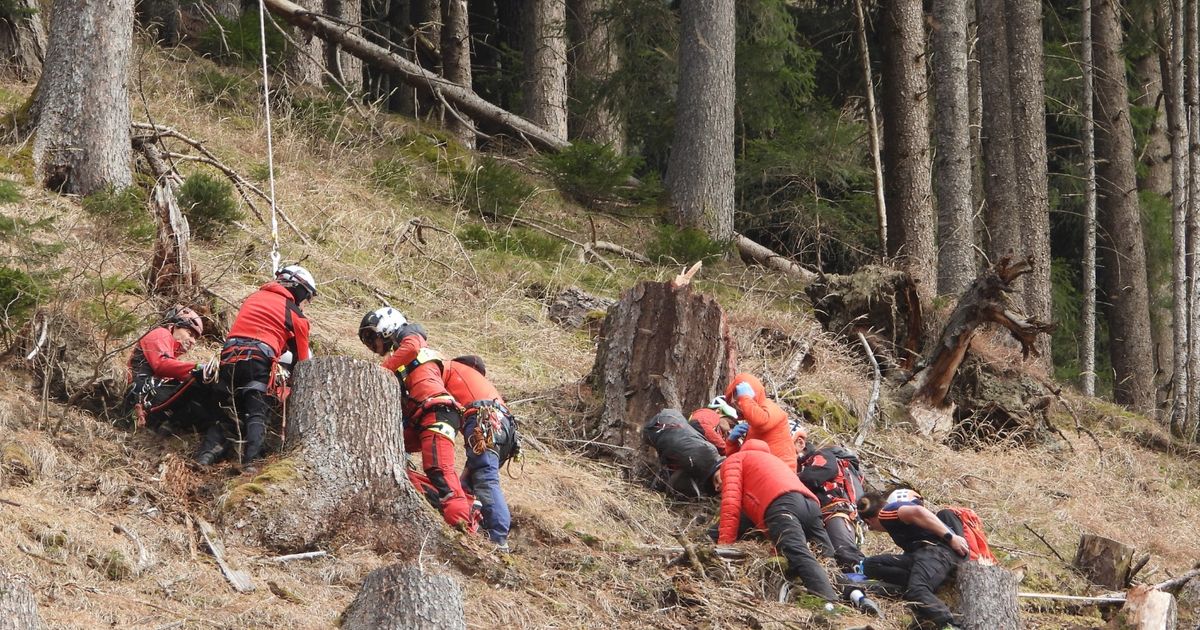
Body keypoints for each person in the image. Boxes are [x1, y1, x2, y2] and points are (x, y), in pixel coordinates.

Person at [358, 306, 473, 530]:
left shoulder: (410, 336)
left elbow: (412, 347)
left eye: (372, 338)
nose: (373, 346)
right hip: (420, 416)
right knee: (385, 456)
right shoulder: (401, 357)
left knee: (439, 469)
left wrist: (380, 371)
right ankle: (433, 497)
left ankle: (462, 524)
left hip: (436, 410)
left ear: (386, 326)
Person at [196, 265, 314, 468]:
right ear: (299, 289)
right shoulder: (296, 315)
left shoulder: (253, 298)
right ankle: (252, 463)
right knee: (257, 410)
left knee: (227, 411)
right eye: (307, 298)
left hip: (229, 355)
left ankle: (205, 456)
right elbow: (303, 363)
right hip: (259, 358)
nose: (305, 304)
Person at [714, 438, 838, 601]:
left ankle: (829, 603)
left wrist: (724, 546)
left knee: (797, 552)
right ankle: (851, 593)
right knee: (827, 556)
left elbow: (731, 504)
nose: (717, 486)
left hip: (782, 503)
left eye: (716, 480)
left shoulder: (734, 460)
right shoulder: (773, 461)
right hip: (810, 504)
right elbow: (750, 514)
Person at [858, 488, 970, 630]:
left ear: (868, 521)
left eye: (870, 527)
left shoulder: (886, 513)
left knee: (917, 590)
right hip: (922, 557)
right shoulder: (898, 525)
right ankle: (917, 583)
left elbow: (918, 512)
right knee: (871, 564)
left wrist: (950, 537)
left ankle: (950, 625)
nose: (873, 529)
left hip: (935, 553)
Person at [442, 354, 519, 549]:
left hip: (484, 421)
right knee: (467, 484)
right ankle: (478, 529)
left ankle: (498, 538)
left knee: (485, 478)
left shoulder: (449, 368)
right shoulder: (481, 385)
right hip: (504, 430)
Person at [126, 305, 221, 435]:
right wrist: (197, 368)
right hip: (144, 394)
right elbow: (162, 365)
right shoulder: (161, 333)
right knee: (196, 382)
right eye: (190, 333)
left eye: (195, 338)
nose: (192, 341)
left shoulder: (169, 352)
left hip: (146, 397)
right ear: (174, 326)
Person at [795, 424, 867, 570]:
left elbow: (817, 475)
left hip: (837, 511)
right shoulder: (807, 463)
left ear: (800, 443)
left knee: (845, 553)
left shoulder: (821, 456)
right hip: (833, 513)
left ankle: (868, 581)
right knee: (837, 556)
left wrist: (789, 477)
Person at [723, 373, 797, 470]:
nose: (739, 404)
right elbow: (740, 460)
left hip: (780, 474)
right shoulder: (752, 423)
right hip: (762, 473)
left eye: (740, 399)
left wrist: (745, 398)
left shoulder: (770, 408)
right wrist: (731, 443)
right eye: (737, 402)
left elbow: (761, 422)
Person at [643, 408, 722, 498]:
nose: (718, 487)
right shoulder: (707, 453)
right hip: (664, 424)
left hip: (665, 424)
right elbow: (699, 424)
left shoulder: (708, 457)